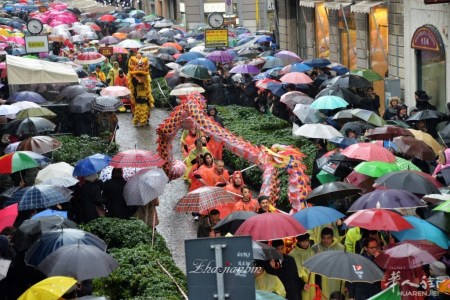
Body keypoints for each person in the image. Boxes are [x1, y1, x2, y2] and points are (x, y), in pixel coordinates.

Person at [311, 227, 345, 298]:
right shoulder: (315, 248)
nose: (326, 241)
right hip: (321, 280)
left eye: (328, 238)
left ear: (332, 237)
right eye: (323, 238)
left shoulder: (341, 248)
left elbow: (344, 265)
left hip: (337, 279)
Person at [290, 233, 317, 299]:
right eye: (302, 241)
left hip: (312, 284)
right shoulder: (292, 254)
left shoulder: (312, 252)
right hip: (299, 285)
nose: (305, 243)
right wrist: (302, 284)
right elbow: (292, 274)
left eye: (306, 241)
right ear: (298, 241)